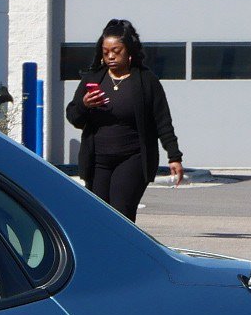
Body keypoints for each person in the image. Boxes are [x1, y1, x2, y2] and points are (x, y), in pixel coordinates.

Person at [64, 19, 183, 220]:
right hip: (98, 160)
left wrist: (174, 156)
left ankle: (123, 251)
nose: (110, 56)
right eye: (105, 51)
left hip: (133, 157)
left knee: (121, 211)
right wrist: (85, 105)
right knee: (98, 215)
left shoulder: (146, 81)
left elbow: (162, 120)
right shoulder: (93, 79)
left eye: (116, 51)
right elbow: (74, 117)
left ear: (129, 51)